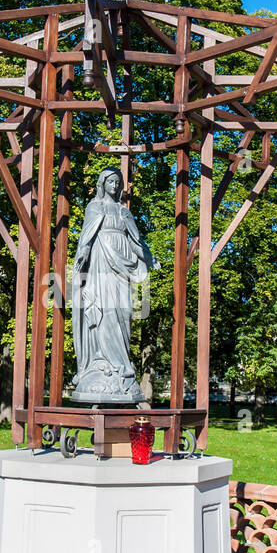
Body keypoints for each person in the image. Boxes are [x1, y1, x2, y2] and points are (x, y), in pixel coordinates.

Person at [71, 167, 156, 404]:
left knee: (123, 312)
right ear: (102, 183)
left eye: (118, 182)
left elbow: (136, 240)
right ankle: (104, 363)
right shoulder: (94, 207)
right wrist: (83, 254)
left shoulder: (122, 211)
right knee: (105, 311)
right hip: (100, 264)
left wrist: (148, 257)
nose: (115, 186)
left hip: (122, 265)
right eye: (111, 181)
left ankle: (121, 366)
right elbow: (86, 238)